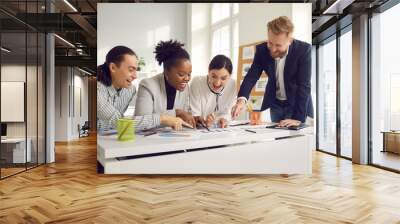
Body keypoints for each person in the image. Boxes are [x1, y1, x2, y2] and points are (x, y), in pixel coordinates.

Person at [231, 16, 313, 127]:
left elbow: (304, 85)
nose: (273, 49)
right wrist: (241, 100)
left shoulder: (303, 50)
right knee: (277, 139)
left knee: (296, 141)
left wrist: (298, 119)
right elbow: (251, 76)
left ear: (290, 40)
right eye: (270, 43)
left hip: (297, 104)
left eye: (278, 45)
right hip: (275, 104)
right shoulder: (262, 50)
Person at [97, 46, 185, 131]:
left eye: (136, 70)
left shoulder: (130, 90)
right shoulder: (97, 90)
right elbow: (119, 122)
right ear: (113, 67)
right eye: (131, 70)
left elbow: (117, 123)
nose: (135, 76)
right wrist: (162, 119)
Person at [135, 40, 196, 128]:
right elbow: (139, 121)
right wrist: (176, 112)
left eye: (189, 74)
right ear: (166, 71)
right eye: (181, 74)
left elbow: (183, 116)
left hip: (175, 138)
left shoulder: (185, 88)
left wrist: (195, 118)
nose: (187, 79)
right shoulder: (147, 85)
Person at [190, 55, 236, 128]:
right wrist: (202, 121)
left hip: (218, 131)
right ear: (208, 71)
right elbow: (195, 115)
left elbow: (227, 112)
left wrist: (223, 119)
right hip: (198, 130)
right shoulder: (197, 82)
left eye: (223, 78)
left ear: (230, 75)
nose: (217, 83)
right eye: (213, 76)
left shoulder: (232, 84)